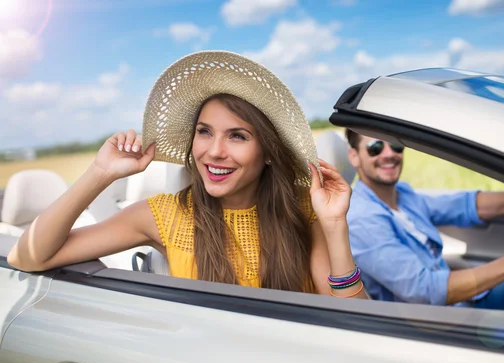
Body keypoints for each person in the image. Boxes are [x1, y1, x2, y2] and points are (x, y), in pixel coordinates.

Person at [8, 51, 368, 300]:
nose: (214, 151)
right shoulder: (164, 216)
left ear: (270, 152)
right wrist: (100, 173)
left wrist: (334, 224)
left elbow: (355, 324)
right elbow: (27, 257)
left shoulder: (303, 211)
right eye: (204, 131)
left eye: (238, 136)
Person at [344, 129, 504, 310]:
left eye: (396, 145)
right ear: (354, 156)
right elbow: (425, 291)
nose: (389, 154)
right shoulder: (363, 219)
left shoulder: (403, 195)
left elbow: (466, 206)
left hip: (463, 304)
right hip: (441, 325)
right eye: (376, 147)